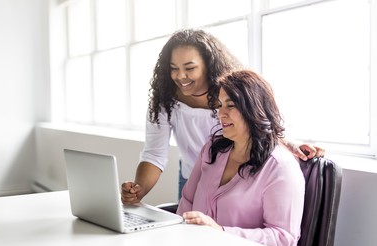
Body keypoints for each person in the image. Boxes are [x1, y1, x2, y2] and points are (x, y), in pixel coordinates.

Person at [121, 28, 323, 205]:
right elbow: (154, 154)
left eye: (189, 68)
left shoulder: (229, 94)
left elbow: (258, 125)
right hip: (191, 178)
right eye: (174, 69)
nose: (180, 76)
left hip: (234, 178)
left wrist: (291, 145)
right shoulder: (164, 100)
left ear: (208, 65)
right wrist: (138, 190)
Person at [177, 70, 305, 246]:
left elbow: (285, 239)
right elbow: (187, 200)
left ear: (254, 109)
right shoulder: (212, 149)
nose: (221, 113)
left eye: (230, 105)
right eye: (220, 105)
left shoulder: (280, 167)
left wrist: (221, 232)